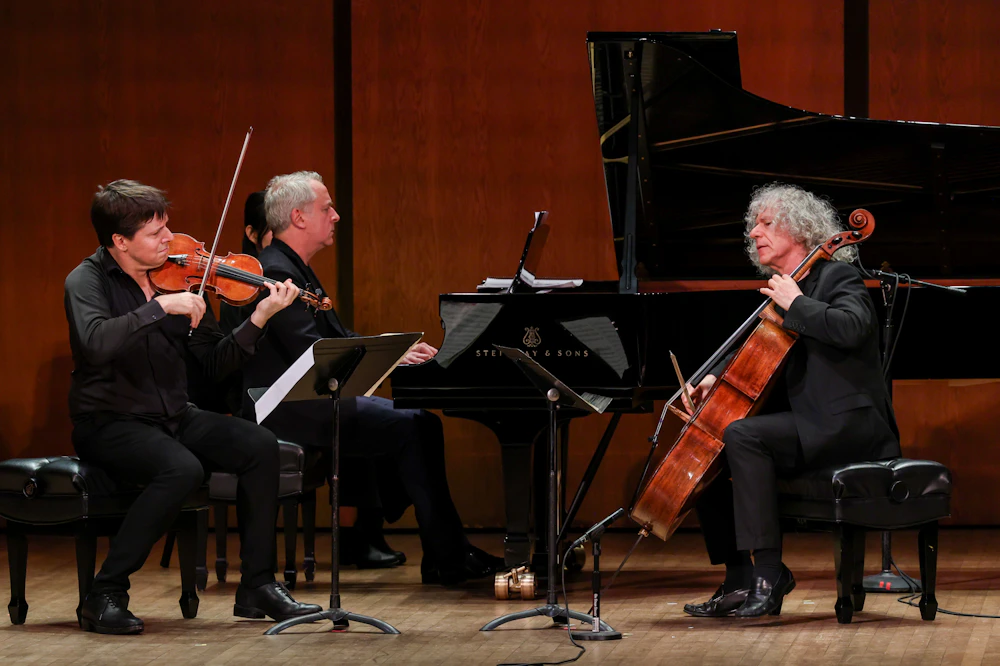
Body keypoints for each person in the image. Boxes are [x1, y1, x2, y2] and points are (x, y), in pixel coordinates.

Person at [64, 179, 321, 634]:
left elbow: (215, 364)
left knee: (261, 446)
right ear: (120, 242)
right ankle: (104, 593)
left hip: (173, 416)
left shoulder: (185, 276)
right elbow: (95, 342)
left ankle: (257, 586)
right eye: (154, 233)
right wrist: (161, 309)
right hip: (110, 421)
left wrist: (259, 318)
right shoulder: (86, 281)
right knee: (182, 469)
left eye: (167, 227)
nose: (168, 240)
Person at [242, 170, 504, 584]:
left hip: (309, 401)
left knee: (417, 421)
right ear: (298, 218)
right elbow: (315, 354)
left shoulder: (294, 266)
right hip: (290, 408)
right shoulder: (277, 273)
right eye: (326, 208)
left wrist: (394, 351)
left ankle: (445, 554)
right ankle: (448, 557)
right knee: (414, 427)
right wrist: (389, 356)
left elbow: (337, 338)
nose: (336, 215)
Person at [682, 183, 900, 618]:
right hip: (808, 422)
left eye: (765, 224)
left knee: (743, 434)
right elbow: (756, 349)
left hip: (848, 425)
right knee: (707, 443)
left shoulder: (837, 275)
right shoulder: (787, 286)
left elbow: (854, 327)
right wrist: (713, 378)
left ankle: (768, 573)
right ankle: (738, 579)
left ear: (799, 229)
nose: (754, 233)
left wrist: (797, 304)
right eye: (753, 225)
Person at [200, 190, 407, 569]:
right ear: (254, 233)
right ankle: (361, 536)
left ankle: (364, 533)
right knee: (356, 418)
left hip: (291, 389)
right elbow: (227, 365)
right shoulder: (255, 279)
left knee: (362, 415)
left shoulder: (290, 273)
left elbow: (329, 333)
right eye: (267, 234)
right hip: (251, 396)